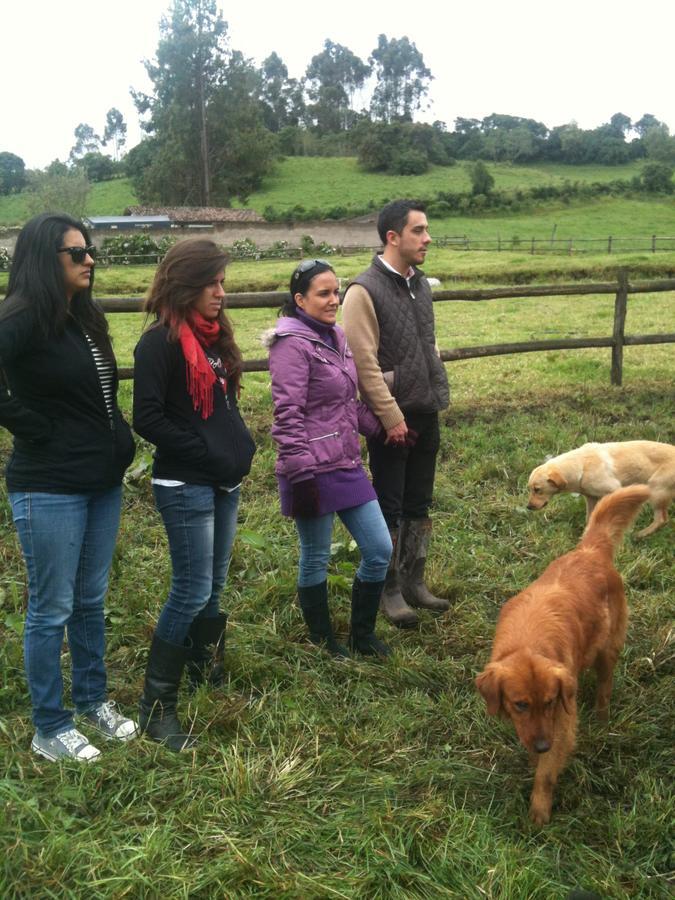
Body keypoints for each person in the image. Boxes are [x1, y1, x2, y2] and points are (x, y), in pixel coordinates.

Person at [0, 212, 137, 761]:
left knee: (89, 599)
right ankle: (50, 726)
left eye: (89, 251)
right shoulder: (23, 316)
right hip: (50, 484)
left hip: (101, 481)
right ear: (43, 259)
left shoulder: (84, 315)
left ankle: (92, 701)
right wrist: (36, 429)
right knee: (51, 607)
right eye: (76, 253)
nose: (90, 261)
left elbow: (99, 395)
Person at [133, 239, 255, 751]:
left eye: (223, 282)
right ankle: (157, 708)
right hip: (185, 483)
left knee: (216, 582)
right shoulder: (158, 343)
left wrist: (231, 448)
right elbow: (148, 418)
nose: (221, 293)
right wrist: (206, 452)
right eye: (213, 283)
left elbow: (221, 406)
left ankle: (207, 667)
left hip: (223, 479)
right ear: (185, 283)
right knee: (189, 588)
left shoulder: (212, 337)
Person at [266, 259, 393, 658]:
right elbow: (286, 414)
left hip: (345, 462)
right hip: (310, 467)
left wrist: (384, 430)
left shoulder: (337, 336)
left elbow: (344, 402)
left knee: (379, 549)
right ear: (300, 299)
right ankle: (324, 641)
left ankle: (362, 635)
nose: (334, 300)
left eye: (336, 291)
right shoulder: (290, 344)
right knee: (316, 555)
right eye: (324, 293)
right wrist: (301, 474)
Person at [342, 200, 450, 628]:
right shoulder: (363, 291)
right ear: (393, 237)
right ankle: (388, 589)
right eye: (419, 230)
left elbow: (428, 344)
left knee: (419, 502)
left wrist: (436, 387)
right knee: (388, 506)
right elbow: (363, 362)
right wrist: (389, 417)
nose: (427, 238)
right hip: (393, 418)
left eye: (426, 231)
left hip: (425, 409)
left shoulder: (420, 285)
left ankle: (414, 582)